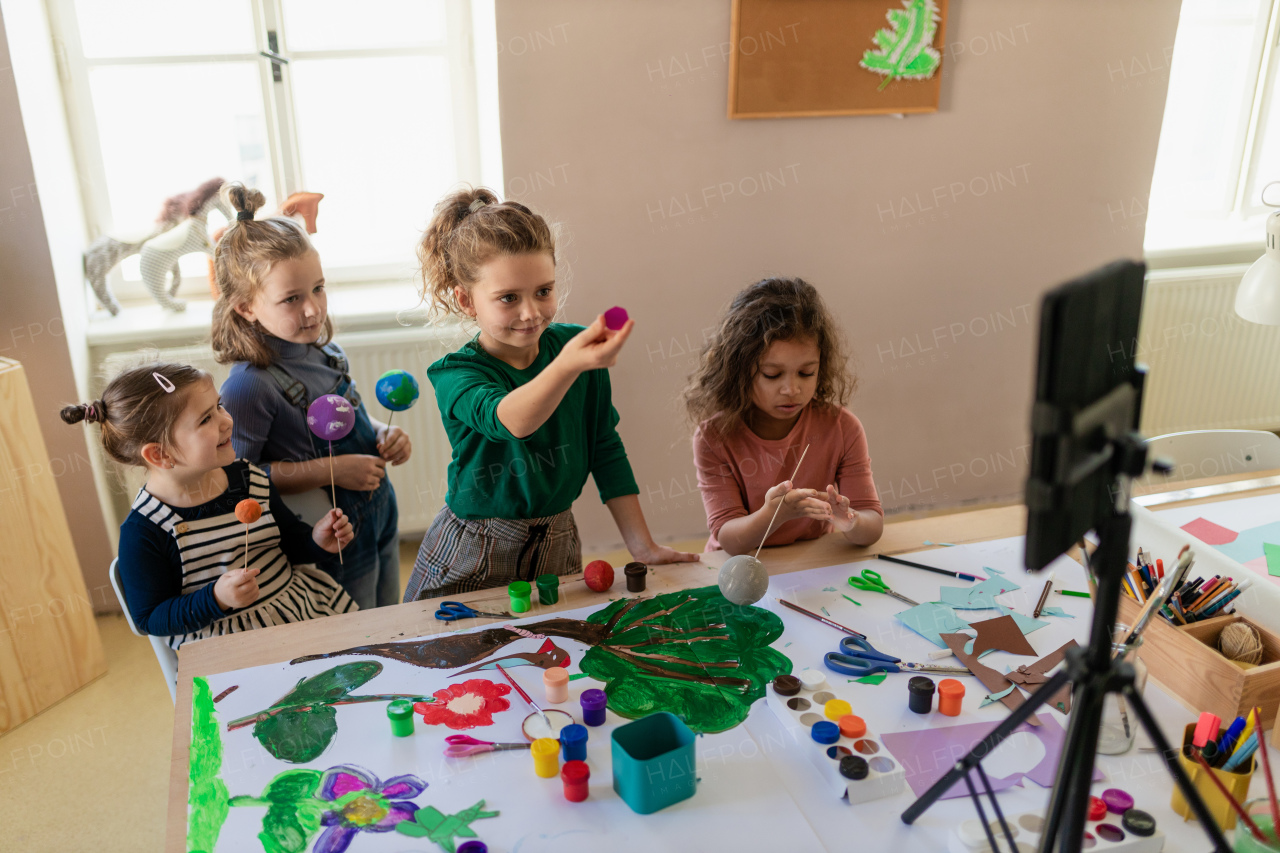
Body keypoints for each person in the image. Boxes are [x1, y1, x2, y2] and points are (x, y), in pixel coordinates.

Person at [403, 187, 696, 600]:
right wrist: (569, 364)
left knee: (553, 651)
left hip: (557, 539)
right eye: (508, 298)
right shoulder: (456, 373)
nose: (531, 312)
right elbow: (512, 420)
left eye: (543, 290)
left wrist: (642, 545)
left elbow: (604, 447)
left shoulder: (574, 351)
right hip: (474, 545)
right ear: (466, 300)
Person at [212, 184, 409, 609]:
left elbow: (351, 416)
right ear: (246, 307)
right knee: (356, 631)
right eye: (291, 299)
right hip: (329, 527)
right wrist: (332, 470)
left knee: (388, 613)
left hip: (377, 508)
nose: (313, 310)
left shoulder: (325, 350)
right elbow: (242, 477)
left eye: (318, 289)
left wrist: (381, 433)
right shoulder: (248, 386)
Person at [65, 362, 356, 649]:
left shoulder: (248, 478)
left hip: (299, 615)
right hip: (226, 647)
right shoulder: (146, 529)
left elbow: (290, 543)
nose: (227, 420)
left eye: (219, 406)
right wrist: (216, 598)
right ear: (159, 454)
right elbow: (149, 617)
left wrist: (316, 541)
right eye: (206, 419)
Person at [685, 277, 883, 555]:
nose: (792, 389)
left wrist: (850, 521)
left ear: (821, 367)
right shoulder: (714, 437)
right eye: (772, 374)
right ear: (739, 371)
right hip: (739, 570)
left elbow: (872, 526)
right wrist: (773, 514)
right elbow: (729, 539)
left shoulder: (842, 427)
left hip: (809, 564)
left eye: (806, 373)